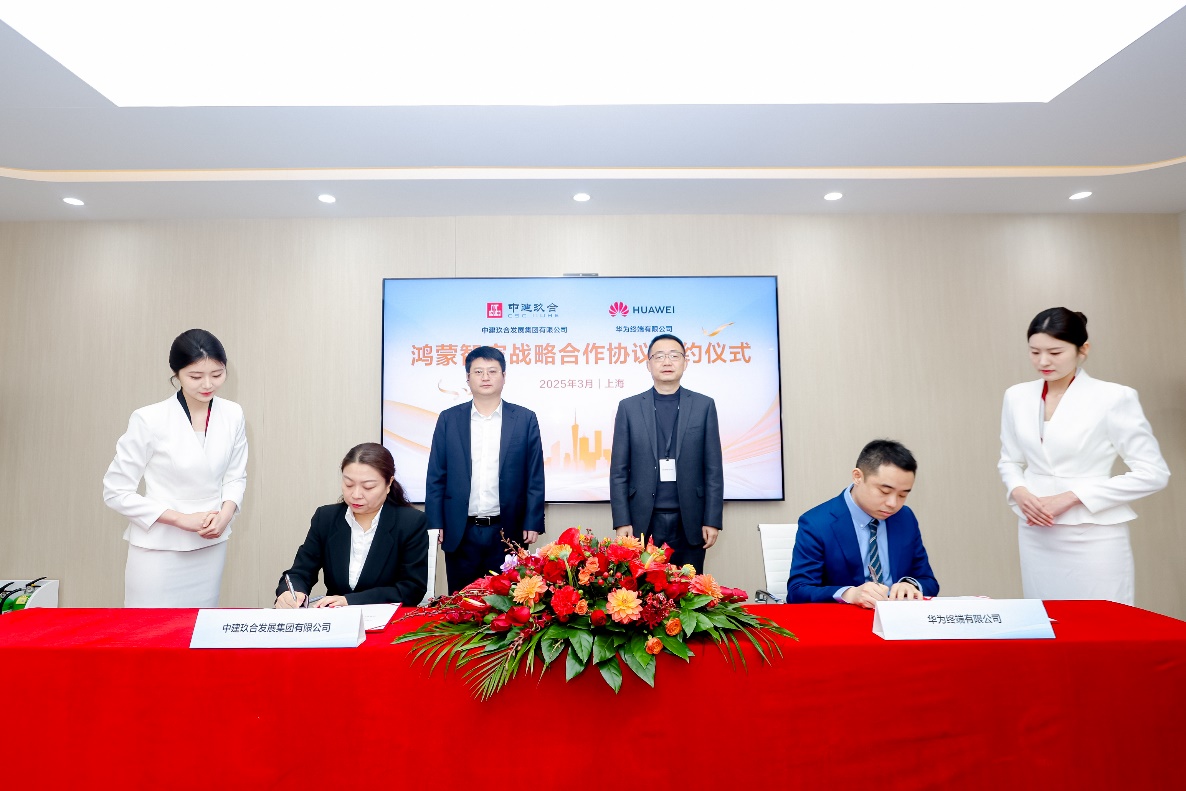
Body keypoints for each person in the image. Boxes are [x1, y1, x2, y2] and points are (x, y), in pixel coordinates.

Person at [998, 308, 1169, 605]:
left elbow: (1154, 474)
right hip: (1036, 530)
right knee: (1048, 619)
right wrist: (1019, 490)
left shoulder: (1114, 397)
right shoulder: (1016, 396)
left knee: (1103, 621)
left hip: (1094, 533)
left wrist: (1073, 496)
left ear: (1083, 349)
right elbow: (1009, 460)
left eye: (1055, 352)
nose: (1043, 361)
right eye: (1034, 352)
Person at [103, 329, 248, 607]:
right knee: (151, 629)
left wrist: (226, 515)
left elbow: (235, 476)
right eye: (195, 376)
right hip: (158, 549)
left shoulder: (233, 414)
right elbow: (115, 492)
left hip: (210, 545)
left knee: (199, 627)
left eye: (217, 374)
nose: (208, 384)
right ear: (176, 373)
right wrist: (181, 519)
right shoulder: (149, 419)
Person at [425, 346, 546, 593]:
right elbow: (436, 475)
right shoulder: (449, 419)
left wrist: (533, 520)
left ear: (504, 376)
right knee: (463, 602)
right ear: (468, 378)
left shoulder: (524, 419)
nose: (485, 377)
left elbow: (534, 475)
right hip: (460, 530)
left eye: (492, 371)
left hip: (507, 530)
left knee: (508, 603)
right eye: (478, 371)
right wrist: (435, 522)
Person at [610, 333, 724, 572]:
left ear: (685, 362)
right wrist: (622, 521)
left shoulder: (704, 406)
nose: (667, 362)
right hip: (643, 521)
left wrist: (712, 520)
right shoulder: (629, 408)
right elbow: (619, 471)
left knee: (690, 588)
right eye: (659, 356)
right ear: (648, 364)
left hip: (690, 520)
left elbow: (713, 469)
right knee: (643, 590)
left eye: (674, 355)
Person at [275, 443, 428, 608]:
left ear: (388, 483)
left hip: (389, 620)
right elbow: (300, 572)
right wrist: (290, 593)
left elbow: (411, 589)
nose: (356, 495)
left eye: (368, 487)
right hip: (337, 619)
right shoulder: (326, 518)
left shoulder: (411, 522)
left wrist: (350, 601)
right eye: (348, 484)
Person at [788, 440, 939, 606]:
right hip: (846, 618)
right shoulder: (817, 523)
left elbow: (928, 581)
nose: (893, 503)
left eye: (902, 495)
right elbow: (798, 591)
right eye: (885, 491)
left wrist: (911, 585)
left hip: (897, 617)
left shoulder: (905, 518)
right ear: (857, 477)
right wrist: (848, 594)